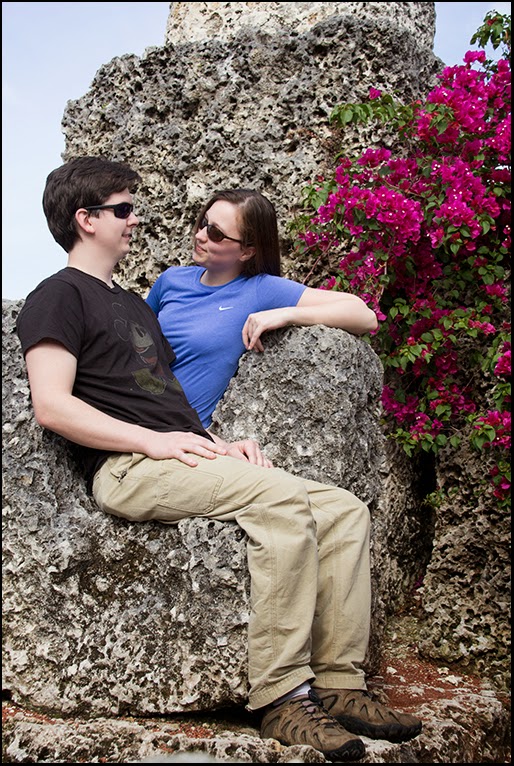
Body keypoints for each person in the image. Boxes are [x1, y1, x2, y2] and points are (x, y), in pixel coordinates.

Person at [16, 157, 422, 763]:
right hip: (128, 468)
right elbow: (52, 406)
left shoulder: (134, 306)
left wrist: (216, 443)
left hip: (181, 453)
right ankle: (283, 696)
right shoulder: (57, 295)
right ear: (87, 219)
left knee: (343, 510)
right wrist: (151, 441)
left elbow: (160, 396)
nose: (135, 220)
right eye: (123, 210)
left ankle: (340, 684)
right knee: (280, 498)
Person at [146, 188, 378, 428]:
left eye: (215, 233)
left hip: (182, 434)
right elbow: (129, 344)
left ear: (247, 252)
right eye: (203, 223)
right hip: (135, 418)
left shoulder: (260, 290)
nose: (200, 235)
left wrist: (287, 314)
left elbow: (364, 316)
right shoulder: (171, 280)